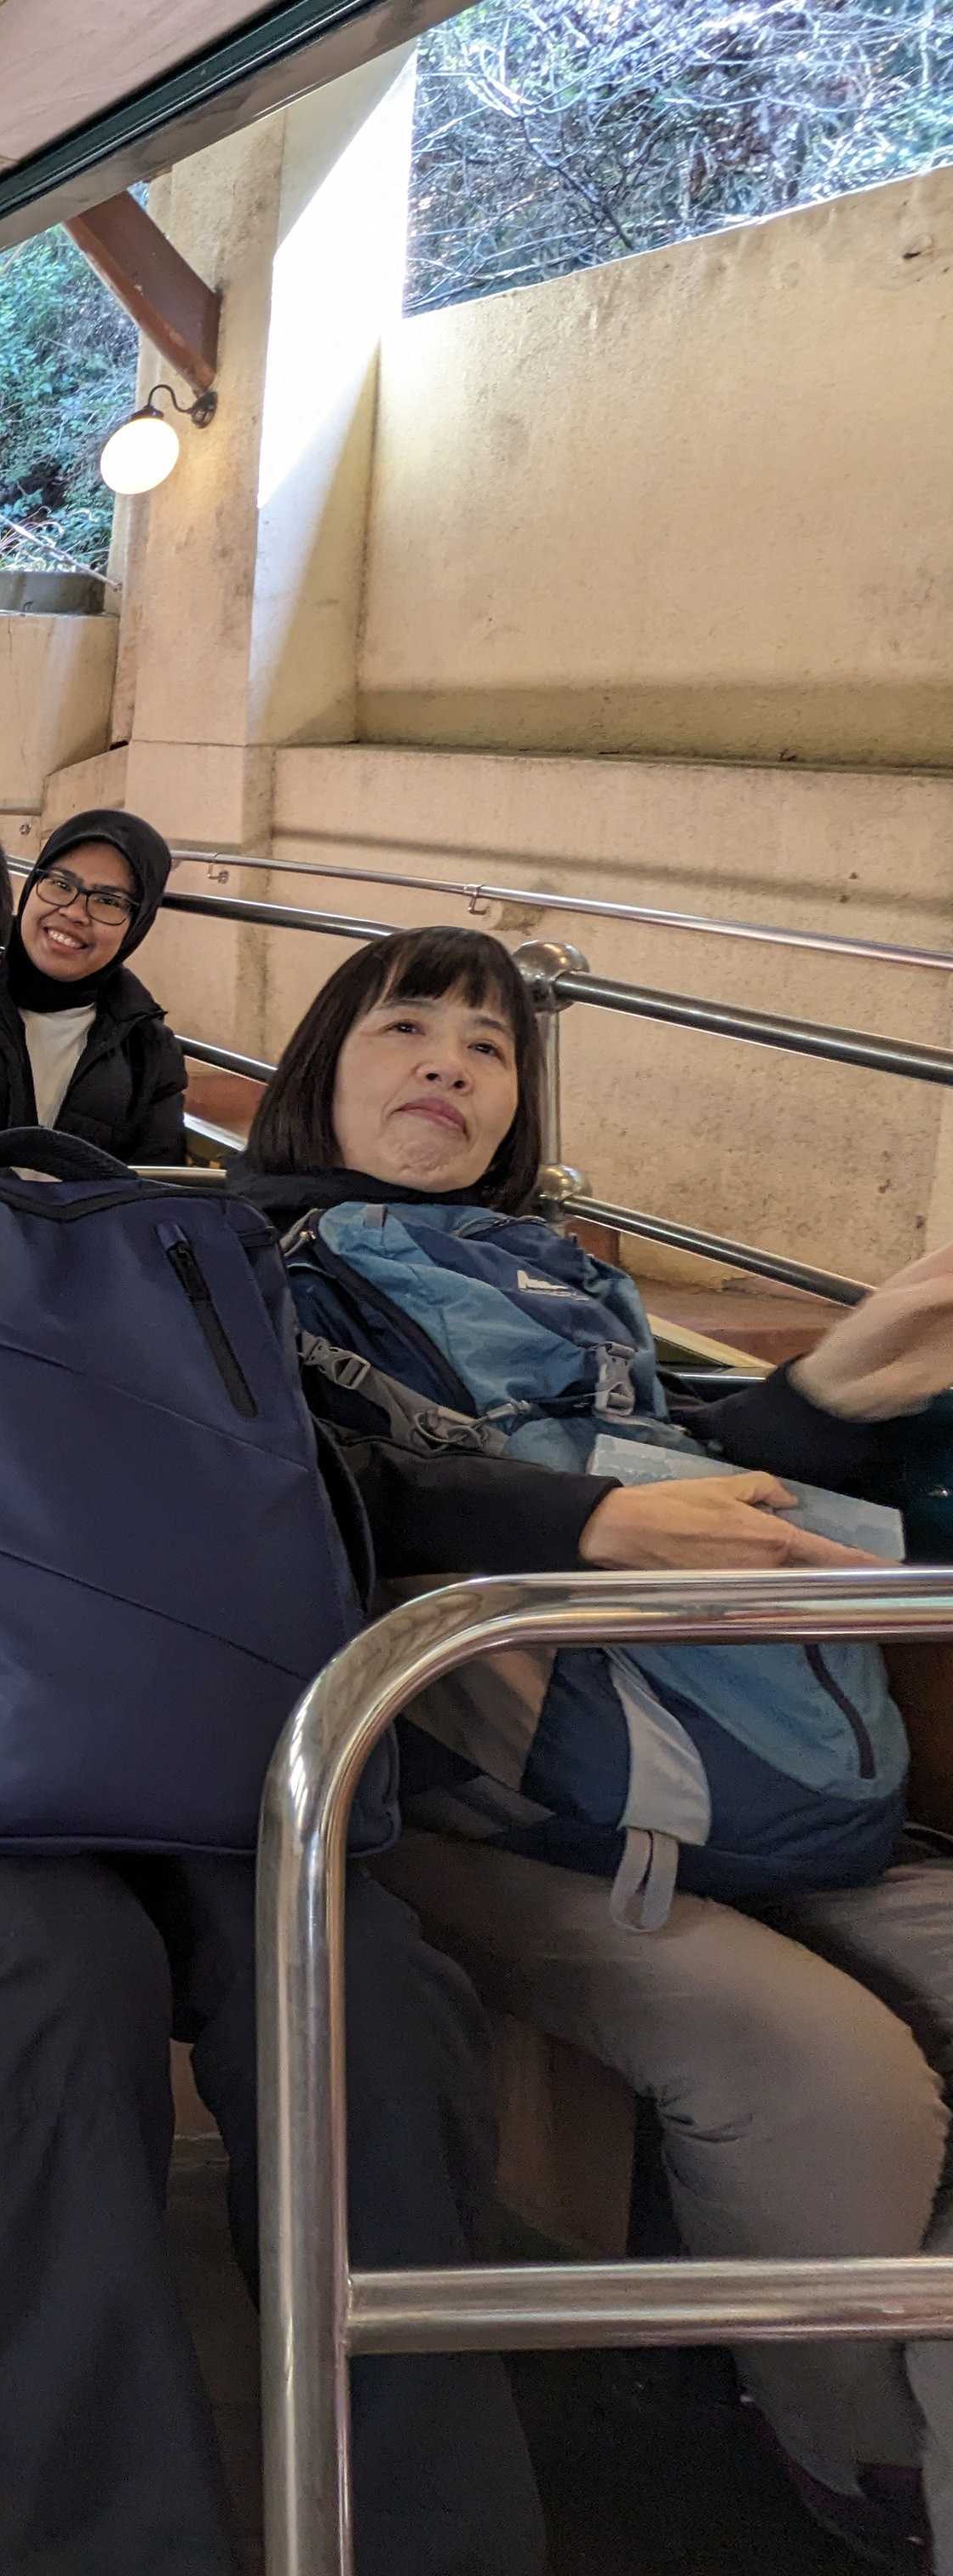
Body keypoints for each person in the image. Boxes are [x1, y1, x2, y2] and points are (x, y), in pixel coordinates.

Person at [0, 789, 839, 2573]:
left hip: (98, 1712)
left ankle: (429, 2535)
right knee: (45, 1972)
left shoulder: (67, 1191)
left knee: (355, 1982)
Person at [235, 924, 953, 2566]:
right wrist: (581, 1520)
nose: (449, 1060)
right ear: (316, 1068)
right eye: (405, 1026)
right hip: (454, 1804)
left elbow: (662, 1468)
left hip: (737, 1768)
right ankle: (867, 2467)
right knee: (818, 2068)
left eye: (489, 1045)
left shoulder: (552, 1273)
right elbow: (311, 1498)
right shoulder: (234, 1268)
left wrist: (831, 1390)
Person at [0, 805, 189, 1164]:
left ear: (137, 925)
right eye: (61, 884)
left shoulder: (147, 1049)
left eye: (108, 901)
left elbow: (153, 1182)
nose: (75, 912)